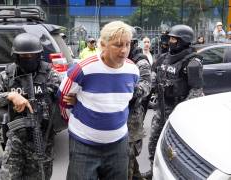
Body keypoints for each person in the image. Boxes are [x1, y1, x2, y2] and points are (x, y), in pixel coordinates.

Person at [59, 21, 139, 180]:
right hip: (83, 145)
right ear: (103, 44)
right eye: (117, 45)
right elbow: (63, 98)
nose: (124, 50)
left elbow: (123, 102)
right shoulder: (82, 69)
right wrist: (78, 115)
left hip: (118, 145)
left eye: (127, 44)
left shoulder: (133, 70)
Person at [0, 33, 62, 180]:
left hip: (42, 143)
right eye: (24, 57)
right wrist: (8, 96)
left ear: (39, 55)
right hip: (15, 143)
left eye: (32, 56)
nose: (29, 59)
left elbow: (68, 98)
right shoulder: (7, 76)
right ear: (16, 57)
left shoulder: (51, 76)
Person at [143, 24, 204, 179]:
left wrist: (180, 114)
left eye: (174, 39)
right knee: (154, 143)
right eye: (170, 38)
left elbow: (196, 91)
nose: (170, 41)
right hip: (161, 109)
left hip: (178, 113)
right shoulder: (163, 57)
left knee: (175, 151)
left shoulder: (192, 62)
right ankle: (154, 170)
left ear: (184, 41)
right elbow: (153, 78)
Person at [127, 33, 152, 180]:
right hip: (118, 113)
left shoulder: (140, 61)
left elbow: (146, 86)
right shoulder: (121, 57)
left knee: (128, 154)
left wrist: (127, 90)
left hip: (132, 115)